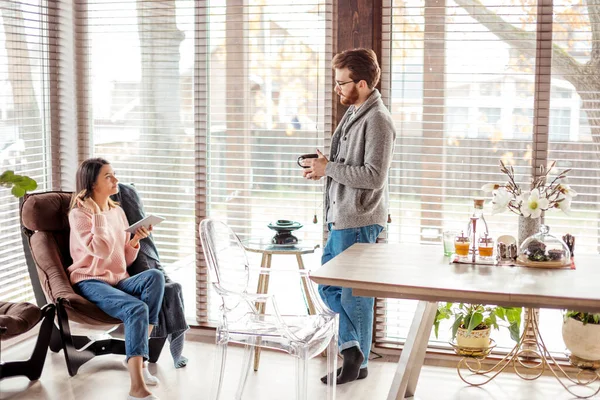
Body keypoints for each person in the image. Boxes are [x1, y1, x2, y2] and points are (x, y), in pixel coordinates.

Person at [302, 48, 396, 384]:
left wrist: (331, 168)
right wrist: (325, 168)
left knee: (353, 294)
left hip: (358, 219)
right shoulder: (356, 112)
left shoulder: (378, 121)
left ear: (363, 83)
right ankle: (358, 355)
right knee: (331, 286)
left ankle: (352, 356)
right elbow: (347, 167)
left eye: (342, 83)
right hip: (340, 216)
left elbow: (374, 176)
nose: (337, 88)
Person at [68, 158, 165, 400]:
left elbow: (124, 258)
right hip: (91, 281)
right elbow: (100, 251)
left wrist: (135, 241)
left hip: (118, 279)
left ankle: (138, 360)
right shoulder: (78, 215)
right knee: (136, 308)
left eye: (114, 174)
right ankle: (137, 386)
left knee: (155, 276)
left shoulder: (118, 211)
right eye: (108, 176)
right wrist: (97, 214)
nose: (116, 180)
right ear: (92, 184)